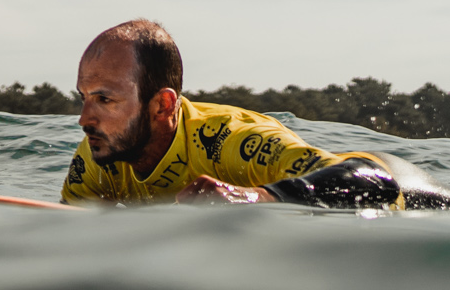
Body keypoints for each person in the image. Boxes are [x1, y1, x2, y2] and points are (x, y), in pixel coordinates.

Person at [61, 19, 399, 208]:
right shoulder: (98, 158)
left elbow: (376, 181)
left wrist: (256, 196)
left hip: (402, 192)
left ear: (161, 105)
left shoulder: (232, 142)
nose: (84, 119)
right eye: (84, 98)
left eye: (104, 100)